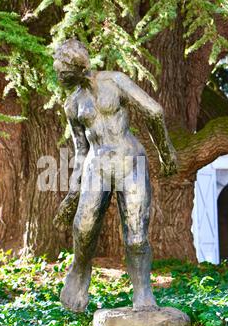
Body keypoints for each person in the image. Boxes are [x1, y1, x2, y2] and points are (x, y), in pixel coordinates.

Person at [53, 39, 177, 312]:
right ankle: (79, 272)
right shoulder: (72, 104)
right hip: (96, 166)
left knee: (136, 236)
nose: (58, 75)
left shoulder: (115, 81)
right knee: (83, 228)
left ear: (76, 65)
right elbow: (80, 151)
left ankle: (143, 293)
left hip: (129, 162)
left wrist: (165, 152)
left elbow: (153, 111)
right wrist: (72, 195)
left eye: (61, 70)